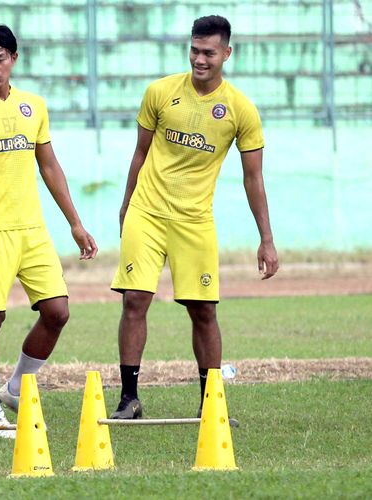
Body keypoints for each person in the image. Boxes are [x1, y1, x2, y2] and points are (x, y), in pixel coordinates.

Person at [110, 15, 279, 420]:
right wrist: (126, 203)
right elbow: (140, 154)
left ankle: (211, 405)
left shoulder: (240, 110)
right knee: (135, 300)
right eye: (194, 50)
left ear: (226, 53)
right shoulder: (160, 92)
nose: (199, 59)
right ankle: (129, 399)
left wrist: (266, 238)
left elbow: (253, 178)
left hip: (194, 220)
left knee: (203, 310)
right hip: (147, 212)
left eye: (208, 52)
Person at [0, 24, 98, 439]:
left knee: (57, 311)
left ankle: (17, 386)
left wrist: (75, 223)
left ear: (14, 58)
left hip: (32, 229)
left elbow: (49, 166)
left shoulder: (34, 106)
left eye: (0, 58)